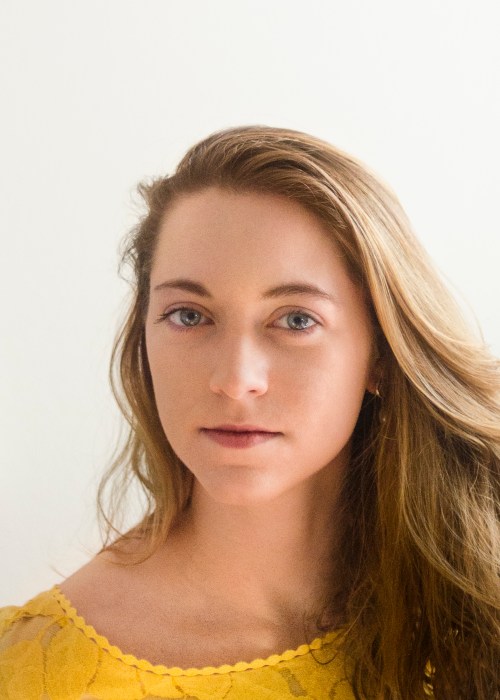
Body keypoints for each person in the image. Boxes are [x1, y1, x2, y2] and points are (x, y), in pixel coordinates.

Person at [0, 126, 498, 700]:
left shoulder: (478, 616)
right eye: (189, 316)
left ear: (381, 353)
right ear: (143, 338)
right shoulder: (33, 671)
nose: (235, 380)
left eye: (296, 320)